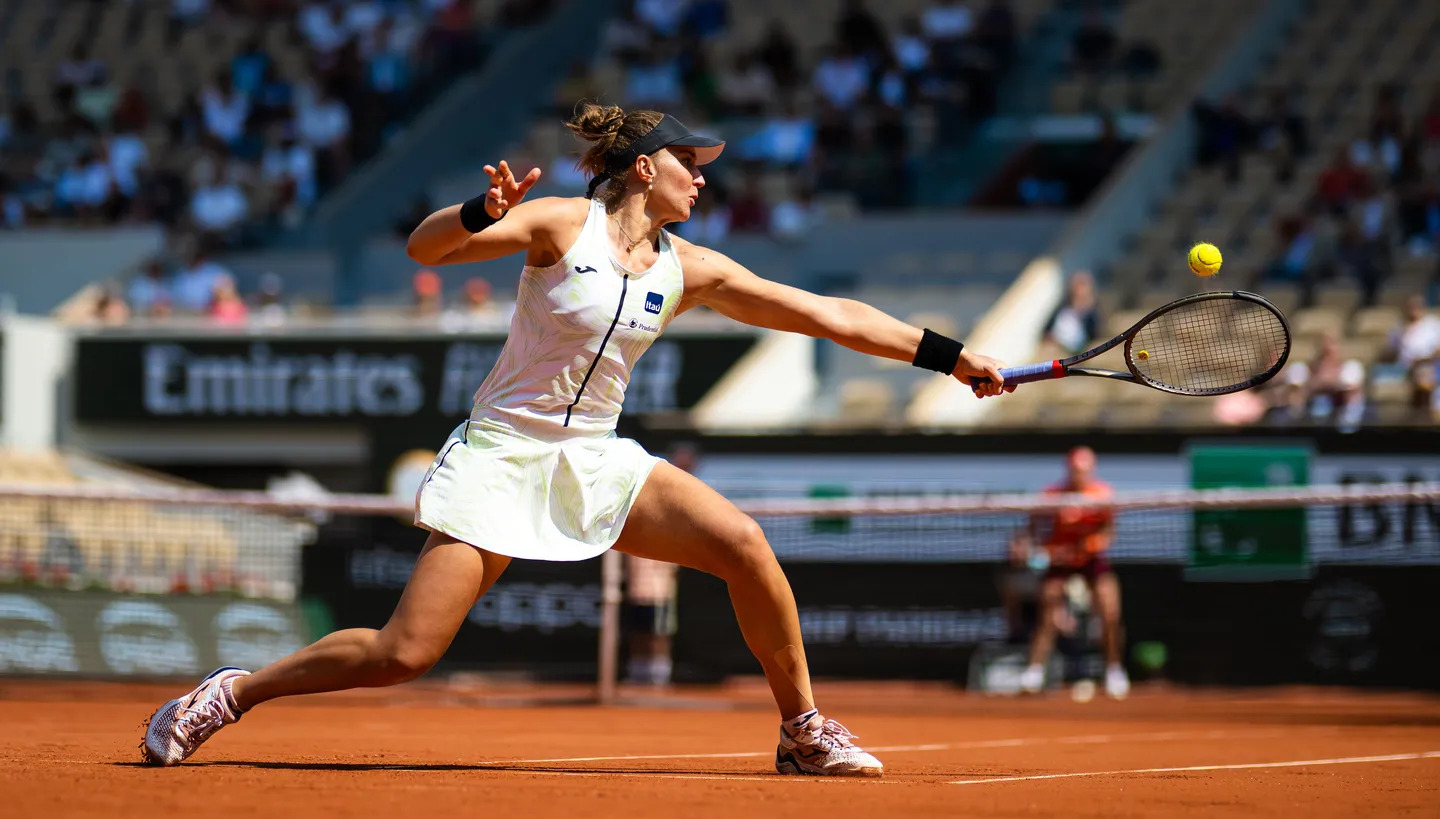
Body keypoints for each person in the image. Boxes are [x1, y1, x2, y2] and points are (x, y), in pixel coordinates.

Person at [139, 102, 1011, 777]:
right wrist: (478, 213)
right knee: (404, 653)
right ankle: (234, 691)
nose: (702, 179)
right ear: (643, 169)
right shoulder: (559, 223)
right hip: (503, 450)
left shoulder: (690, 267)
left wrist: (951, 356)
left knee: (746, 544)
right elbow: (425, 250)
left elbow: (831, 316)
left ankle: (802, 732)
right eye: (689, 164)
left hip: (597, 455)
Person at [1016, 447, 1129, 700]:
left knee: (1110, 612)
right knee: (1048, 612)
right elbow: (1033, 526)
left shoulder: (1103, 495)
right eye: (1076, 470)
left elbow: (1109, 532)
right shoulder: (1052, 495)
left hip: (1092, 560)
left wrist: (1090, 546)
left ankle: (1114, 671)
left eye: (1085, 470)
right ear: (1068, 470)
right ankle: (1033, 673)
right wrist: (1044, 551)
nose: (1080, 475)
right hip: (1060, 559)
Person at [623, 442, 696, 686]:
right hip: (637, 589)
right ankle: (639, 672)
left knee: (660, 632)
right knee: (638, 632)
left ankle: (659, 674)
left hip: (661, 590)